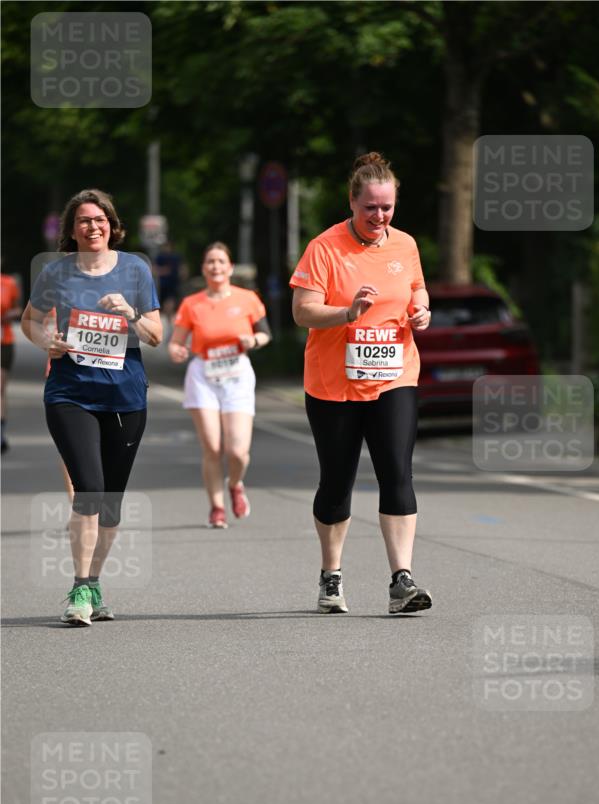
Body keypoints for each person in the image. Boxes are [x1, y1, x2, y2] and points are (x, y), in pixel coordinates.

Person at [290, 152, 433, 615]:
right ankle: (331, 576)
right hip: (334, 385)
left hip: (394, 376)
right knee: (337, 482)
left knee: (397, 471)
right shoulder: (325, 248)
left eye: (387, 207)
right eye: (370, 207)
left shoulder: (405, 245)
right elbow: (302, 311)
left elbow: (416, 288)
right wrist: (346, 313)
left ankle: (402, 581)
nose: (379, 216)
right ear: (352, 202)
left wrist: (421, 310)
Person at [21, 188, 162, 625]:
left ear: (112, 225)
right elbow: (30, 319)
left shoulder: (135, 269)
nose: (93, 227)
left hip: (125, 398)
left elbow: (156, 335)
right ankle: (80, 588)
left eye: (100, 219)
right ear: (72, 230)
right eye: (84, 221)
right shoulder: (57, 273)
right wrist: (49, 341)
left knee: (111, 503)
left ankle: (95, 581)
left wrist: (130, 314)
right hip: (71, 394)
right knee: (89, 489)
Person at [168, 242, 271, 527]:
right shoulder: (192, 304)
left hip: (237, 373)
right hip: (203, 375)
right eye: (210, 262)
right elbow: (176, 342)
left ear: (230, 267)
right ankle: (216, 508)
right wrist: (176, 350)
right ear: (204, 268)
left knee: (237, 451)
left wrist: (254, 341)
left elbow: (265, 333)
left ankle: (235, 484)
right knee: (212, 448)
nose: (215, 267)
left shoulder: (247, 298)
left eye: (221, 262)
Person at [1, 267, 21, 453]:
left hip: (3, 342)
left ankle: (0, 433)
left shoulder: (8, 283)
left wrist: (10, 315)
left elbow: (18, 309)